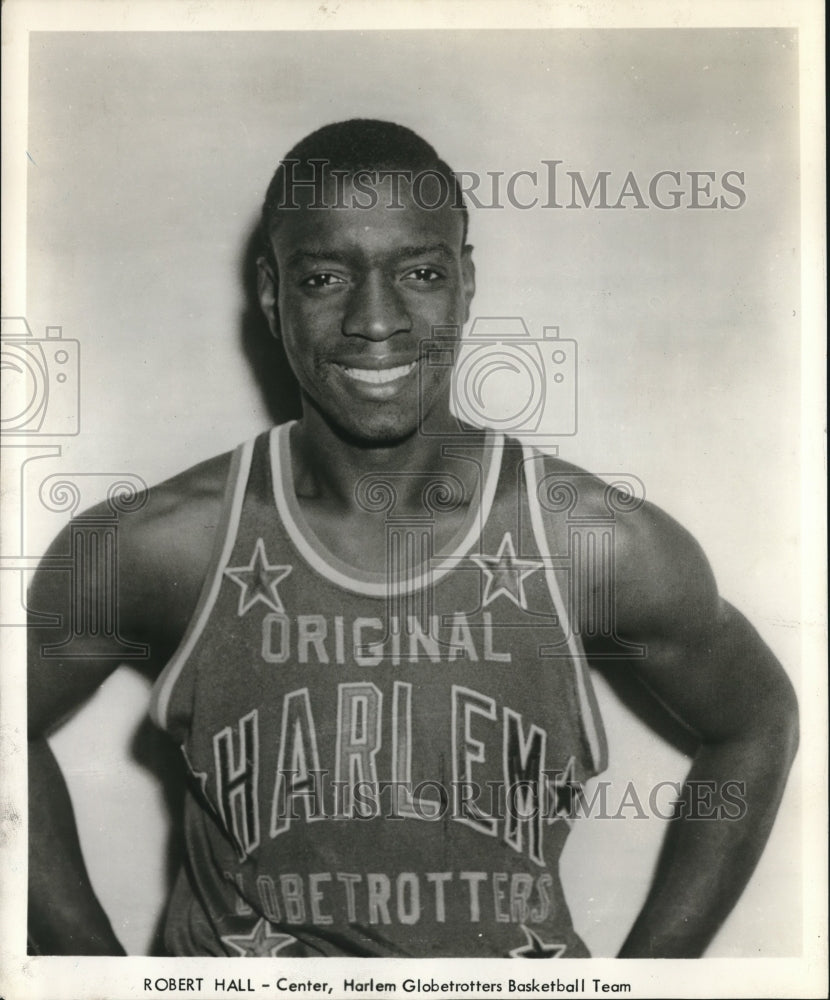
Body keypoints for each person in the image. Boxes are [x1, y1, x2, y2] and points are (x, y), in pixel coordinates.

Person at [27, 119, 798, 959]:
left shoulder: (590, 542)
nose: (377, 321)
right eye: (325, 277)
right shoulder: (164, 543)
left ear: (466, 283)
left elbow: (759, 721)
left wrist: (652, 981)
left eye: (421, 274)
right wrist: (91, 975)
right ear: (273, 292)